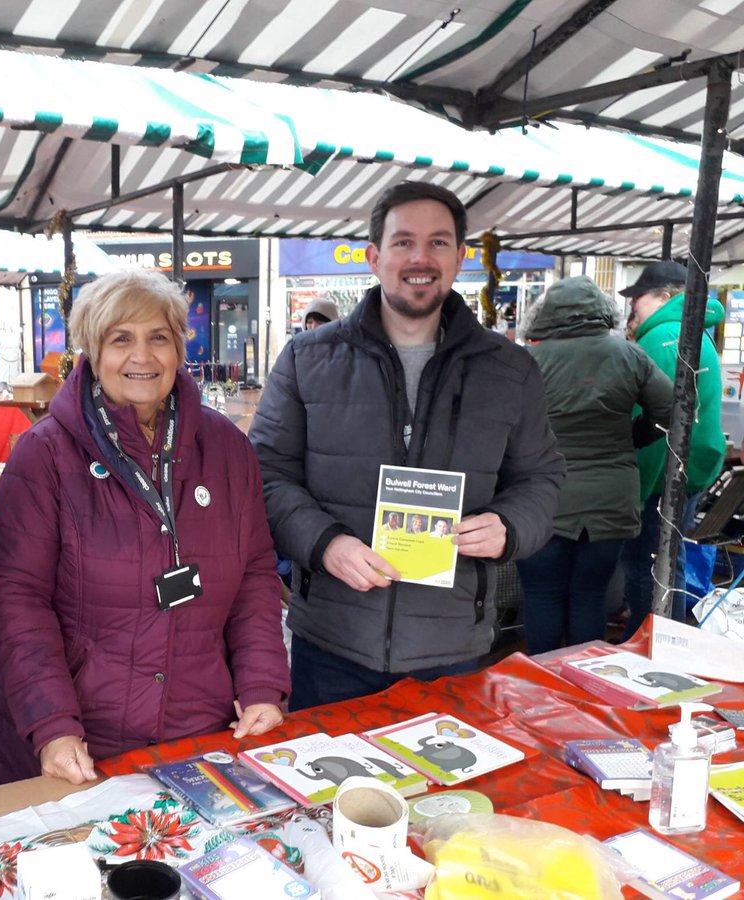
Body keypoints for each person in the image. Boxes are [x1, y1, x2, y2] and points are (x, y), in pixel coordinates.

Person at [250, 181, 564, 708]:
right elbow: (264, 474)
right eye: (403, 242)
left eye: (439, 242)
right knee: (327, 791)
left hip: (453, 649)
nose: (421, 257)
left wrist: (510, 526)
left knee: (444, 792)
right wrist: (325, 543)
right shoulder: (307, 359)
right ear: (374, 257)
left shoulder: (510, 370)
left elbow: (542, 479)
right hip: (331, 643)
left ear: (461, 256)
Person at [0, 267, 289, 787]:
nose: (142, 357)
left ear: (179, 349)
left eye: (158, 338)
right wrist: (51, 723)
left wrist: (261, 684)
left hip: (199, 735)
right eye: (121, 339)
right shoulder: (46, 453)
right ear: (91, 351)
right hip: (78, 747)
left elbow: (255, 573)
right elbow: (15, 594)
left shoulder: (227, 448)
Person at [516, 276, 673, 654]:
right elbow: (673, 408)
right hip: (610, 495)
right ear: (602, 311)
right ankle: (582, 689)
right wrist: (637, 435)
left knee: (541, 594)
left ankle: (542, 684)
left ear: (546, 313)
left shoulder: (527, 361)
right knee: (591, 595)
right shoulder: (630, 355)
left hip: (542, 497)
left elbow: (496, 424)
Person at [619, 260, 725, 638]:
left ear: (665, 297)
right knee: (667, 563)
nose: (633, 307)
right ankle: (668, 641)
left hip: (663, 477)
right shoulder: (694, 332)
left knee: (650, 567)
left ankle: (649, 645)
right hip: (689, 471)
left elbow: (657, 426)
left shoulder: (662, 338)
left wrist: (638, 490)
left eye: (639, 298)